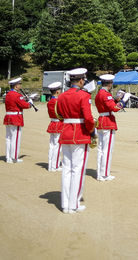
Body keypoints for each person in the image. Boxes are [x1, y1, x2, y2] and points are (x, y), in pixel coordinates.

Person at [55, 68, 96, 214]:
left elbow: (59, 114)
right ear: (80, 80)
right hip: (80, 133)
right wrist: (92, 131)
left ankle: (65, 204)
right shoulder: (84, 95)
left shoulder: (62, 96)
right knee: (78, 169)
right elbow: (89, 118)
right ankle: (74, 203)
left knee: (67, 169)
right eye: (83, 79)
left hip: (66, 132)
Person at [95, 74, 122, 181]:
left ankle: (99, 172)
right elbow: (114, 108)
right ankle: (105, 173)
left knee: (101, 149)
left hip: (101, 120)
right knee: (107, 149)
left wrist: (115, 99)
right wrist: (123, 101)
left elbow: (108, 104)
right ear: (110, 84)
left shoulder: (99, 94)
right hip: (108, 122)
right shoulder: (106, 94)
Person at [3, 77, 33, 163]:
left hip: (8, 117)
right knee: (15, 138)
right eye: (19, 84)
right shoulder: (17, 95)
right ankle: (14, 157)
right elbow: (24, 105)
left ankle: (8, 157)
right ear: (16, 86)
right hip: (15, 118)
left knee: (8, 138)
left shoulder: (8, 94)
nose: (20, 86)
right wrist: (30, 103)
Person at [46, 81, 63, 172]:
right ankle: (55, 165)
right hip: (59, 124)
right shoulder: (58, 101)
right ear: (57, 92)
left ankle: (50, 164)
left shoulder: (50, 102)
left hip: (52, 123)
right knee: (58, 146)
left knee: (52, 145)